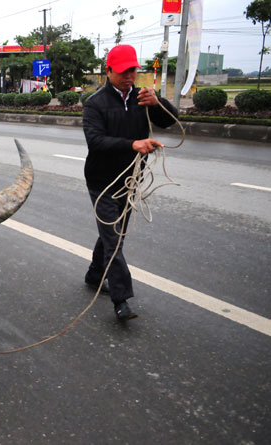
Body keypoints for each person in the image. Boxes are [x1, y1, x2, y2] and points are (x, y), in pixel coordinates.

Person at [82, 44, 178, 321]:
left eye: (133, 70)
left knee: (116, 234)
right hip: (102, 181)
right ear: (109, 70)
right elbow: (96, 141)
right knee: (114, 240)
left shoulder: (142, 97)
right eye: (123, 71)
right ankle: (121, 300)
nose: (129, 75)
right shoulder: (95, 103)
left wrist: (158, 102)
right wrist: (133, 144)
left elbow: (172, 121)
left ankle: (94, 274)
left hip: (130, 179)